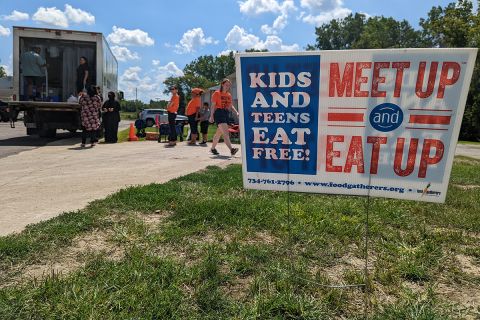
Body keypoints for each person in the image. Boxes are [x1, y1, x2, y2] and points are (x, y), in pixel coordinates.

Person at [209, 79, 239, 156]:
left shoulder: (228, 95)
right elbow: (213, 106)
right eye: (226, 85)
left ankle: (212, 149)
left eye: (229, 85)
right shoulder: (216, 93)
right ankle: (232, 150)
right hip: (218, 113)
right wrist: (211, 116)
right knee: (226, 133)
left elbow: (231, 105)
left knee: (218, 134)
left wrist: (236, 112)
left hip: (225, 113)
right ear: (222, 84)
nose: (227, 87)